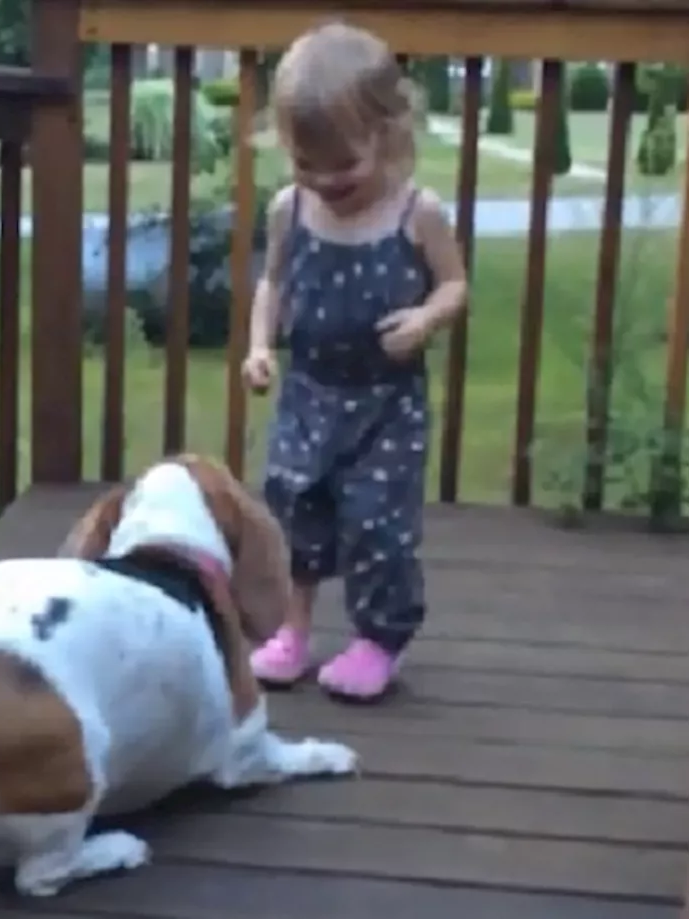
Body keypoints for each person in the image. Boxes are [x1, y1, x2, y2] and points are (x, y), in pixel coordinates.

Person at [240, 21, 468, 702]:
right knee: (292, 512)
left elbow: (456, 284)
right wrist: (258, 345)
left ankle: (377, 638)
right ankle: (291, 628)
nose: (325, 179)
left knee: (377, 521)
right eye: (307, 163)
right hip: (309, 392)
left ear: (390, 134)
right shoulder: (290, 209)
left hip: (385, 402)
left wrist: (427, 316)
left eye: (344, 163)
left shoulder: (414, 214)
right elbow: (272, 284)